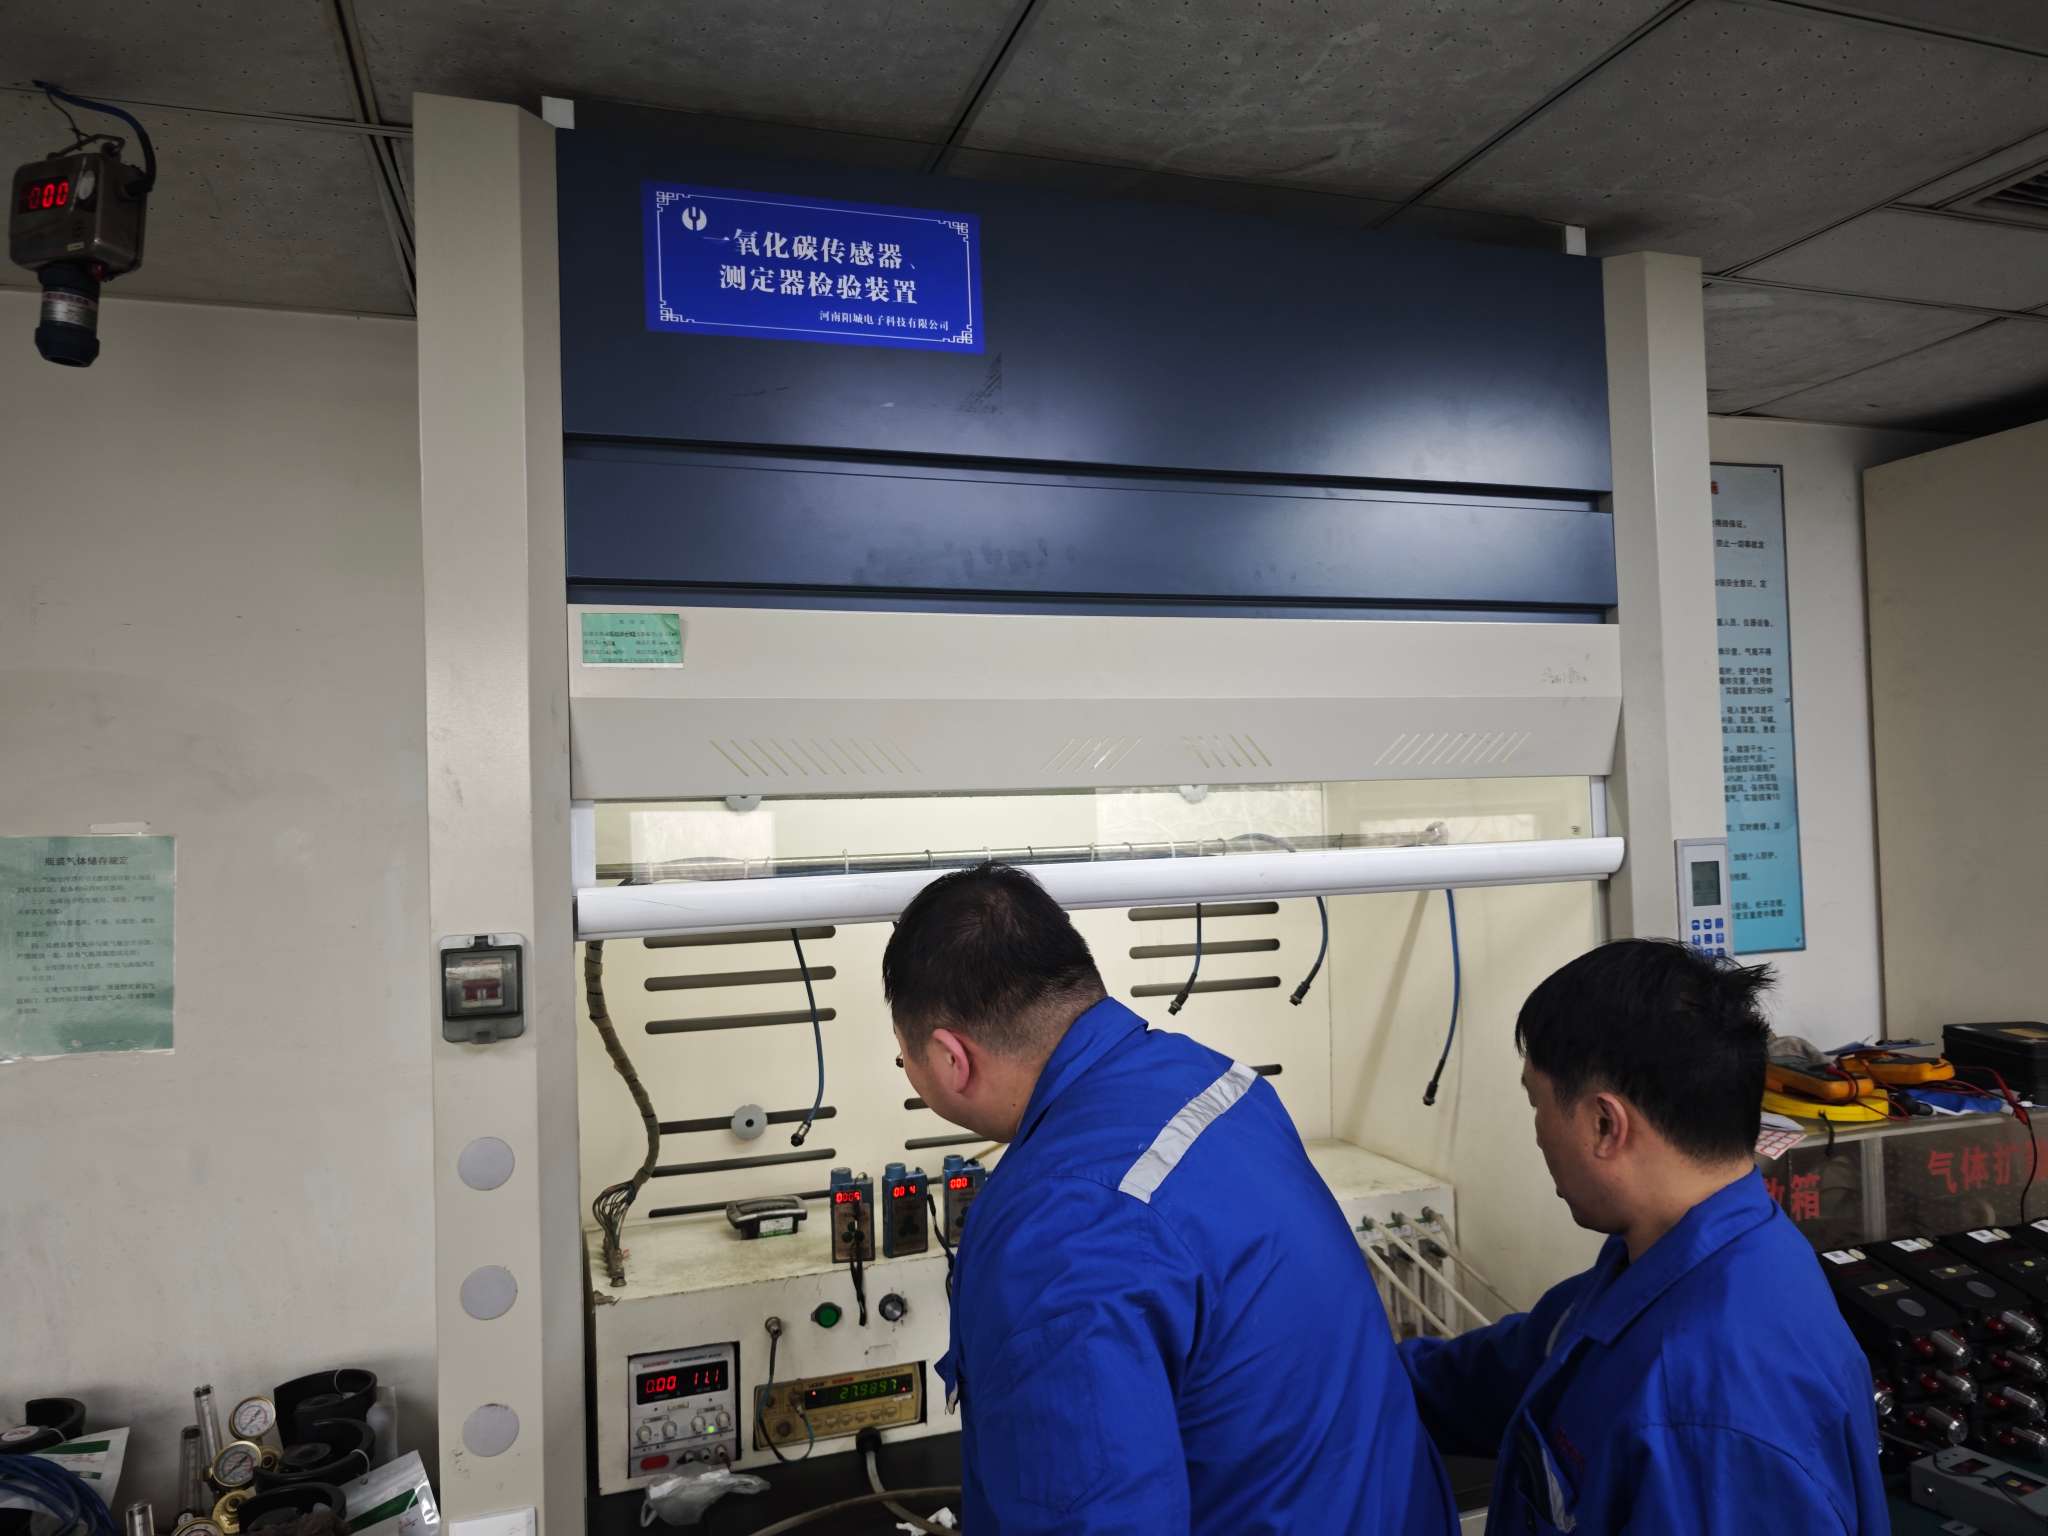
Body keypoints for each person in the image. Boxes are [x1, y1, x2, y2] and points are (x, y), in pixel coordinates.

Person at [884, 862, 1458, 1535]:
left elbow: (1089, 1522)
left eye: (905, 1058)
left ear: (951, 1059)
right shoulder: (1216, 1081)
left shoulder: (1056, 1230)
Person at [1401, 939, 1886, 1535]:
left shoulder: (1708, 1420)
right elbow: (1505, 1368)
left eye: (1537, 1104)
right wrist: (1344, 1370)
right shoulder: (1681, 1257)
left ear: (1605, 1124)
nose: (1539, 1133)